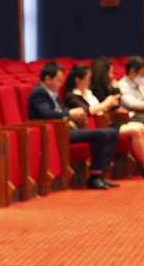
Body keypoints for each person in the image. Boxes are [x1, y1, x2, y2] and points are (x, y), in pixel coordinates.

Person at [28, 62, 120, 190]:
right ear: (48, 78)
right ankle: (94, 176)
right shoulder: (39, 93)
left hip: (64, 128)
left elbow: (60, 110)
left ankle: (99, 174)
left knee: (112, 132)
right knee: (103, 134)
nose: (61, 84)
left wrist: (73, 114)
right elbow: (46, 113)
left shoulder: (52, 92)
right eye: (58, 80)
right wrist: (70, 114)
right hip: (55, 132)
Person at [64, 64, 144, 179]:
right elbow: (87, 112)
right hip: (96, 126)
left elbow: (103, 108)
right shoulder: (72, 96)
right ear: (78, 79)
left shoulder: (88, 93)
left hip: (106, 121)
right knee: (136, 130)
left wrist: (109, 105)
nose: (89, 81)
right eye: (88, 78)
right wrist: (105, 104)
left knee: (141, 127)